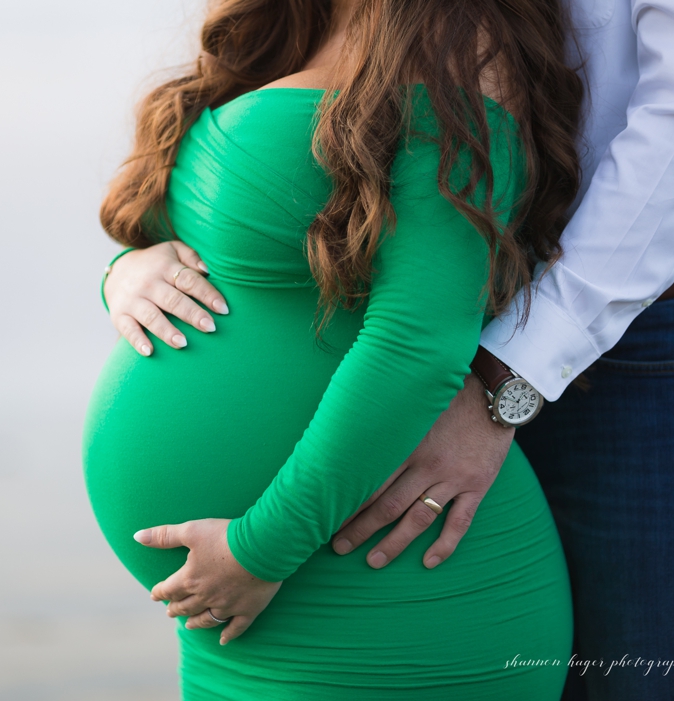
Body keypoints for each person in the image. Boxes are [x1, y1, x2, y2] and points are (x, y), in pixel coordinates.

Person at [101, 0, 674, 696]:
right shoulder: (344, 24)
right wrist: (130, 268)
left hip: (655, 342)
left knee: (654, 673)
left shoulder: (455, 51)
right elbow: (255, 206)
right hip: (462, 346)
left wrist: (504, 379)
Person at [82, 0, 585, 696]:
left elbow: (418, 340)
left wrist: (259, 550)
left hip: (385, 589)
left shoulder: (456, 34)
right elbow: (220, 241)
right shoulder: (291, 17)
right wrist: (127, 272)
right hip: (231, 615)